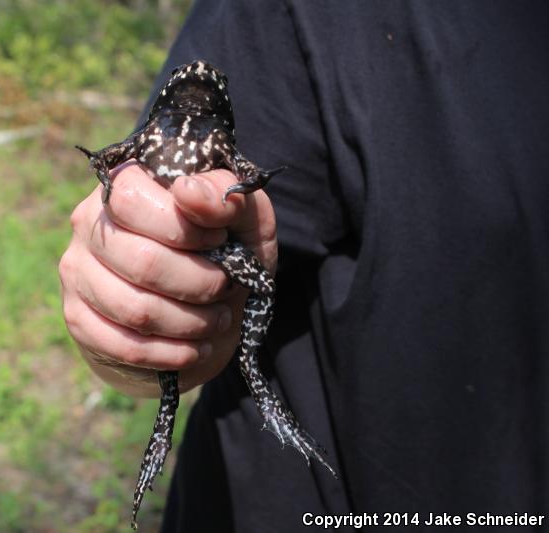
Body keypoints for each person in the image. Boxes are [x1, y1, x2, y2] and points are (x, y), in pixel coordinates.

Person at [59, 1, 549, 531]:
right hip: (283, 502)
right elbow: (134, 238)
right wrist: (121, 312)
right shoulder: (296, 21)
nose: (197, 80)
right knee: (173, 384)